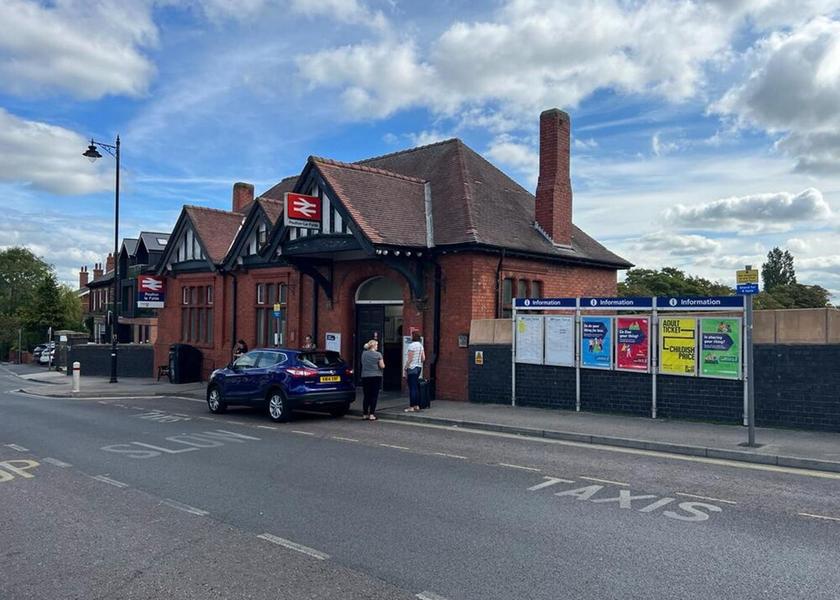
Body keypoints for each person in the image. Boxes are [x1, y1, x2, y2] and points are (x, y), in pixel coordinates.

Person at [360, 339, 385, 421]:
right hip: (376, 376)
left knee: (366, 395)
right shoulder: (378, 354)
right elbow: (382, 366)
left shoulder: (363, 354)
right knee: (374, 396)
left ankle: (364, 414)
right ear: (373, 346)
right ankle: (371, 415)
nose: (377, 346)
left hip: (365, 376)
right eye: (377, 345)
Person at [403, 331, 425, 412]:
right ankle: (417, 406)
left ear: (413, 337)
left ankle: (411, 407)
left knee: (412, 388)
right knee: (415, 387)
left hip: (412, 367)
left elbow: (410, 359)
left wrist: (405, 367)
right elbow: (423, 358)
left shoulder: (411, 346)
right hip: (419, 367)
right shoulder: (420, 346)